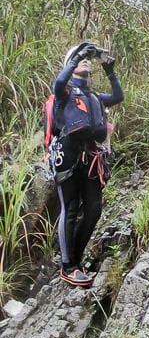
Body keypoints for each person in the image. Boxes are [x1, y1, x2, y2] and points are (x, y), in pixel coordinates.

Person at [50, 40, 124, 287]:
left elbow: (118, 96)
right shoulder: (65, 91)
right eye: (78, 58)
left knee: (93, 208)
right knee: (69, 209)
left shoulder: (93, 96)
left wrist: (110, 70)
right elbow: (58, 83)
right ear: (69, 64)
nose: (85, 59)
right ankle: (67, 266)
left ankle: (77, 259)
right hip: (67, 157)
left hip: (90, 158)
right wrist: (76, 56)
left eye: (86, 58)